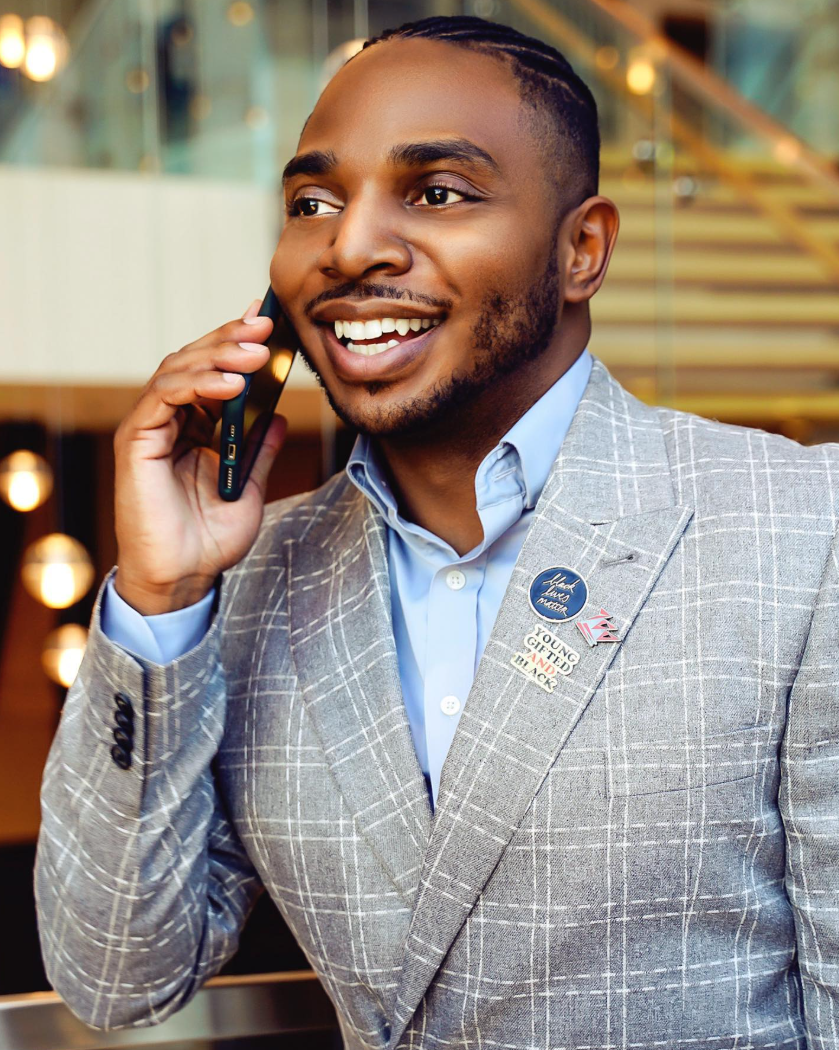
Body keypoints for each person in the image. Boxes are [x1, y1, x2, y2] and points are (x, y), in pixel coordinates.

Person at [35, 15, 839, 1049]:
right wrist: (160, 602)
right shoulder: (249, 581)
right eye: (312, 204)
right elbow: (114, 976)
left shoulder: (800, 531)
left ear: (581, 249)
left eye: (438, 193)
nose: (348, 247)